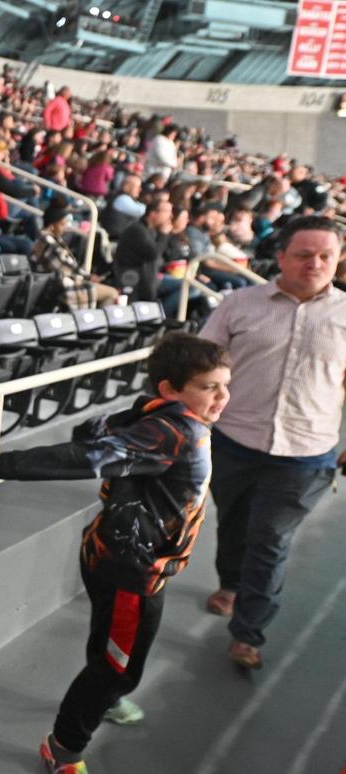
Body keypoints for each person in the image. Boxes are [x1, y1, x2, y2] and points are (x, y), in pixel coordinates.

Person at [0, 333, 232, 774]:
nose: (223, 396)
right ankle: (63, 748)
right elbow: (88, 453)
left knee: (111, 647)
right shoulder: (174, 432)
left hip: (114, 553)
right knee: (117, 667)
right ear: (170, 389)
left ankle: (106, 695)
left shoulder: (156, 415)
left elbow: (94, 428)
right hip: (133, 572)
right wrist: (5, 464)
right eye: (209, 386)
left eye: (225, 384)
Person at [198, 216, 346, 670]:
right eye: (303, 255)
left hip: (306, 453)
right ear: (281, 257)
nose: (314, 264)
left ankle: (248, 633)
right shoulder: (238, 304)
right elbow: (201, 366)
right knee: (234, 523)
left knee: (271, 540)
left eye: (326, 255)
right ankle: (230, 582)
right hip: (233, 442)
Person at [31, 203, 119, 309]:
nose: (65, 228)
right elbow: (64, 268)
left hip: (64, 282)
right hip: (58, 287)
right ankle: (90, 322)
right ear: (51, 225)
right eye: (62, 224)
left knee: (110, 291)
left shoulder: (50, 239)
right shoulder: (47, 241)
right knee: (112, 293)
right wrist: (88, 277)